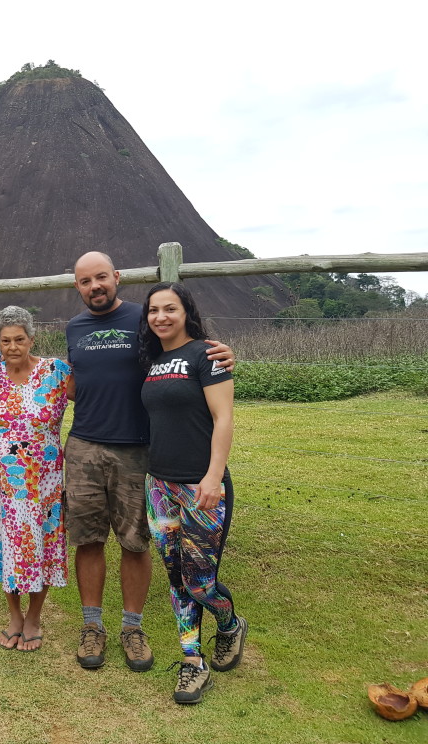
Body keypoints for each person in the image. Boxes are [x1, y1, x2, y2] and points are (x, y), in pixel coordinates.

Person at [65, 252, 234, 672]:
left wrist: (224, 355)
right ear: (78, 286)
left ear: (116, 277)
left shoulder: (145, 318)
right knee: (87, 539)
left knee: (135, 541)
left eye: (101, 277)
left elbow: (187, 352)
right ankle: (92, 625)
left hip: (138, 448)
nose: (95, 287)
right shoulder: (74, 327)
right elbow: (75, 380)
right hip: (84, 445)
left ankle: (132, 628)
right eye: (85, 281)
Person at [138, 281, 247, 704]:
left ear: (186, 312)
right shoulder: (152, 361)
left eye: (170, 308)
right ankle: (192, 663)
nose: (161, 316)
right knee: (175, 579)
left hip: (202, 486)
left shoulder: (207, 355)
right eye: (153, 310)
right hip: (159, 486)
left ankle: (230, 624)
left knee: (200, 583)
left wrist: (213, 477)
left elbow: (223, 419)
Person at [0, 306, 74, 651]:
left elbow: (97, 395)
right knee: (8, 545)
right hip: (1, 484)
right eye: (5, 341)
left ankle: (34, 616)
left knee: (42, 545)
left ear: (32, 339)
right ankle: (14, 616)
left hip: (43, 483)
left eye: (19, 339)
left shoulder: (56, 371)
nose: (12, 346)